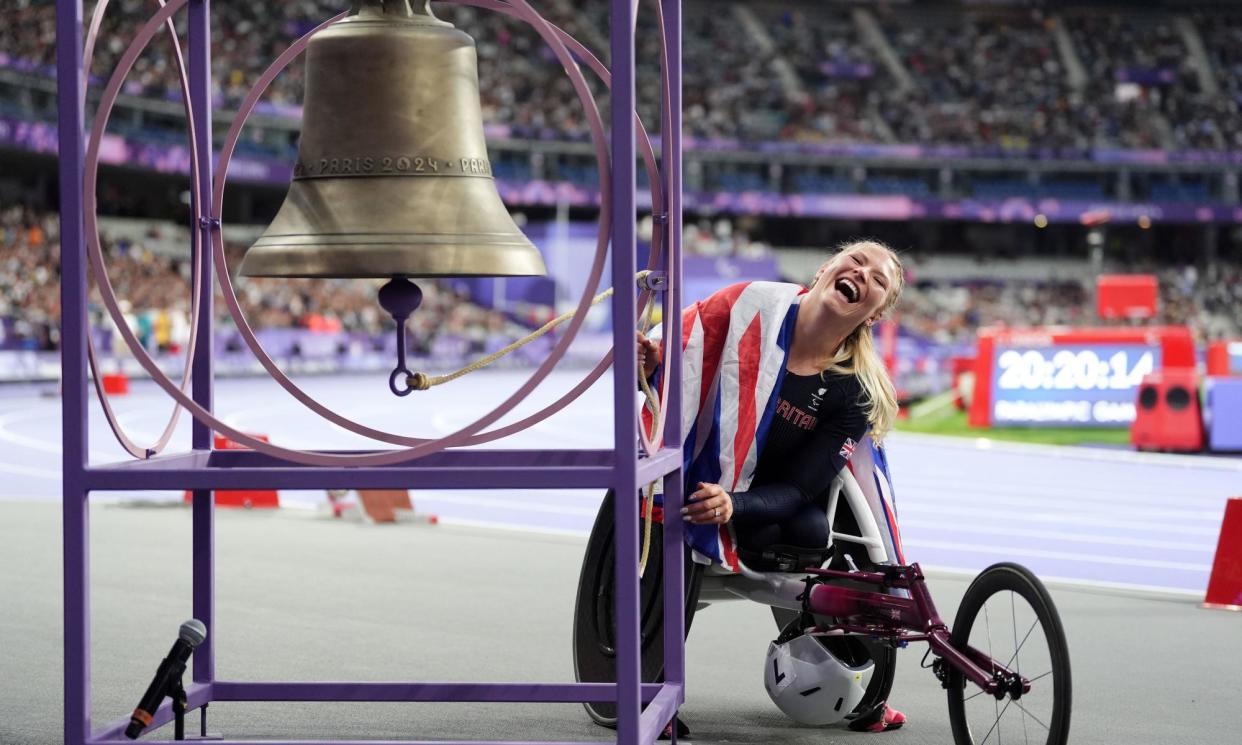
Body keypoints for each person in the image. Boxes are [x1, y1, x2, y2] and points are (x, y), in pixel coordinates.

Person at [637, 238, 907, 734]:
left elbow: (804, 489)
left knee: (812, 532)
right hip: (702, 470)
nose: (863, 273)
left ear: (874, 314)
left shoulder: (855, 391)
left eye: (879, 279)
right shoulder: (750, 306)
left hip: (770, 499)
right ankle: (647, 694)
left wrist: (734, 505)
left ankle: (866, 693)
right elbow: (681, 357)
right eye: (857, 260)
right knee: (678, 513)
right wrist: (653, 362)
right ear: (827, 267)